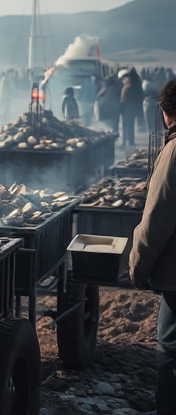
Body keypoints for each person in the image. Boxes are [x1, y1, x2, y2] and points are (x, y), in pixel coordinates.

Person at [130, 79, 176, 415]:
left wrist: (138, 266)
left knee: (170, 351)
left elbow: (157, 218)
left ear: (166, 113)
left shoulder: (174, 151)